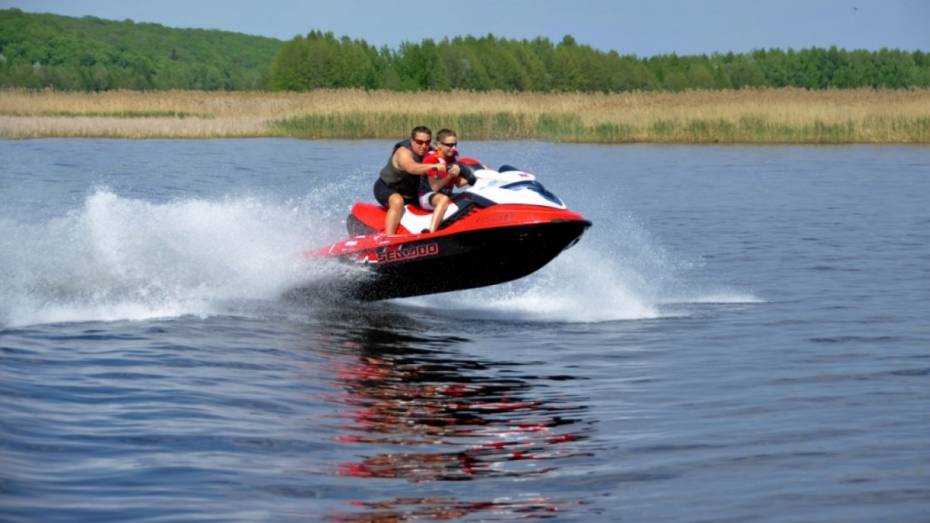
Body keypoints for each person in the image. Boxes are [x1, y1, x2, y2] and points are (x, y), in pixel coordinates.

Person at [374, 126, 447, 235]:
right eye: (419, 142)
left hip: (412, 195)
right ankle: (389, 239)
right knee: (397, 202)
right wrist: (434, 166)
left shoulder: (431, 152)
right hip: (387, 188)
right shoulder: (403, 152)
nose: (424, 146)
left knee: (444, 197)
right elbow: (412, 168)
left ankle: (437, 231)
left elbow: (449, 161)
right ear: (411, 140)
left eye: (427, 142)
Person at [418, 129, 480, 233]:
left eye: (455, 144)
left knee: (470, 196)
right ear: (439, 145)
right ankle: (431, 232)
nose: (454, 148)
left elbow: (459, 183)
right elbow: (434, 187)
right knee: (444, 199)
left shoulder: (452, 157)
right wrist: (449, 176)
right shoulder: (432, 159)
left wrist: (477, 177)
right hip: (427, 196)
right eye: (449, 145)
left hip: (446, 194)